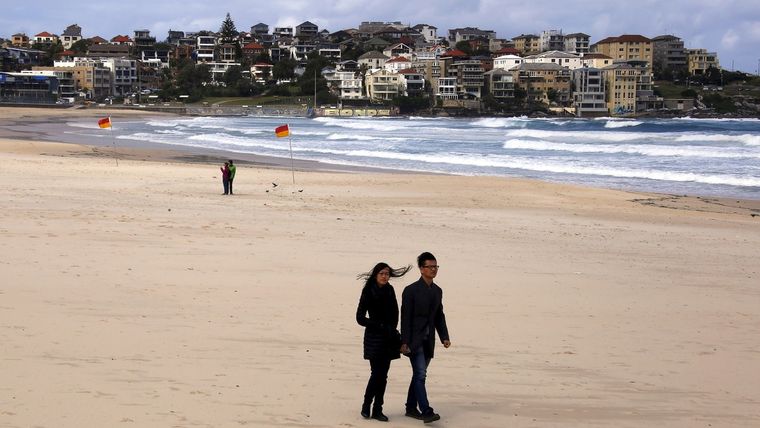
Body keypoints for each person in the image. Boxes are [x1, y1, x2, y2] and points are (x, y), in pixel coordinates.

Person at [356, 262, 411, 422]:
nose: (385, 276)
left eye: (387, 273)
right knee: (377, 373)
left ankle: (377, 409)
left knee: (383, 375)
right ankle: (366, 405)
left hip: (389, 337)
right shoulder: (368, 291)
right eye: (382, 273)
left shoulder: (390, 290)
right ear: (376, 275)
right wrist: (378, 324)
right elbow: (359, 318)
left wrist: (393, 332)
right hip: (374, 337)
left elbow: (395, 313)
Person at [400, 252, 450, 424]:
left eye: (436, 266)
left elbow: (439, 316)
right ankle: (426, 411)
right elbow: (405, 318)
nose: (434, 269)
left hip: (429, 341)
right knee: (420, 374)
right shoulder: (411, 290)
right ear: (422, 269)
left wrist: (444, 336)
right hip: (414, 340)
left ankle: (410, 408)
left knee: (418, 375)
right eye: (430, 266)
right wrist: (404, 342)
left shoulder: (437, 291)